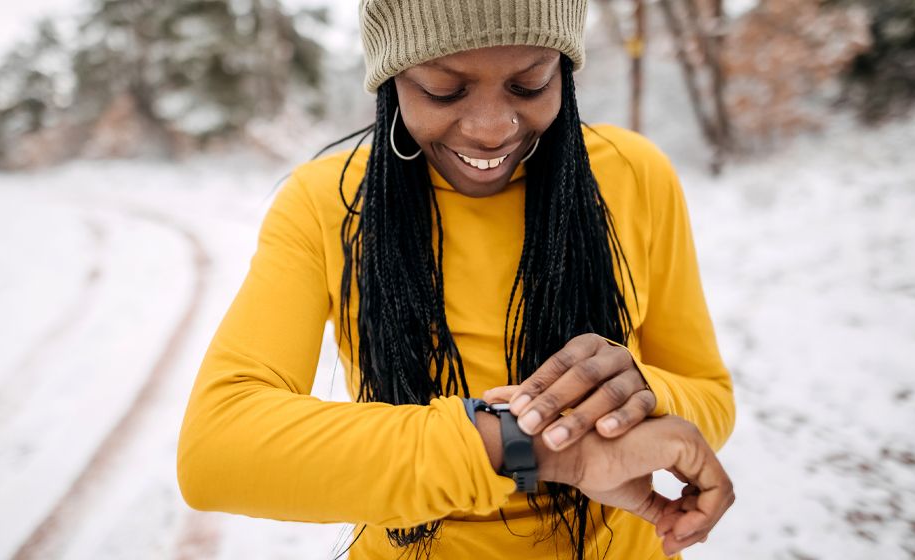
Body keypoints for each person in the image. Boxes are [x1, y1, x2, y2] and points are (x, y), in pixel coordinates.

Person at [177, 1, 736, 558]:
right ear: (391, 80)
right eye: (443, 90)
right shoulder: (327, 204)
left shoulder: (634, 175)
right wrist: (534, 445)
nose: (491, 128)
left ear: (564, 71)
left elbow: (710, 398)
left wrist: (637, 396)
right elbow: (218, 449)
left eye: (530, 83)